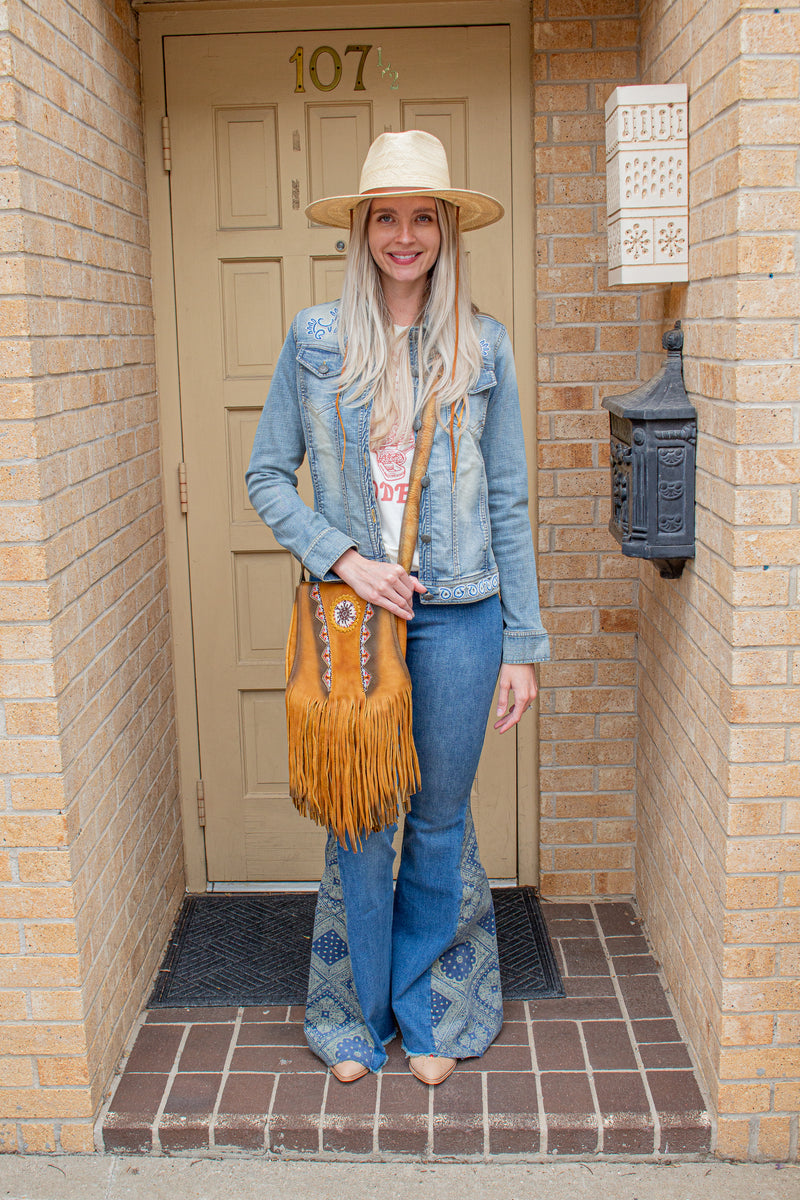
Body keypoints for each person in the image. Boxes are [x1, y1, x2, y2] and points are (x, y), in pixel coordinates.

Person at [247, 130, 549, 1086]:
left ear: (446, 230)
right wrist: (344, 557)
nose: (406, 235)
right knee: (363, 815)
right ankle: (350, 1015)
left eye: (424, 217)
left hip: (464, 617)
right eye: (389, 217)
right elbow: (266, 477)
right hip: (355, 625)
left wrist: (523, 646)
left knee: (439, 821)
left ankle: (431, 1015)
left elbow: (507, 501)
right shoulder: (315, 342)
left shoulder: (483, 346)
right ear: (365, 230)